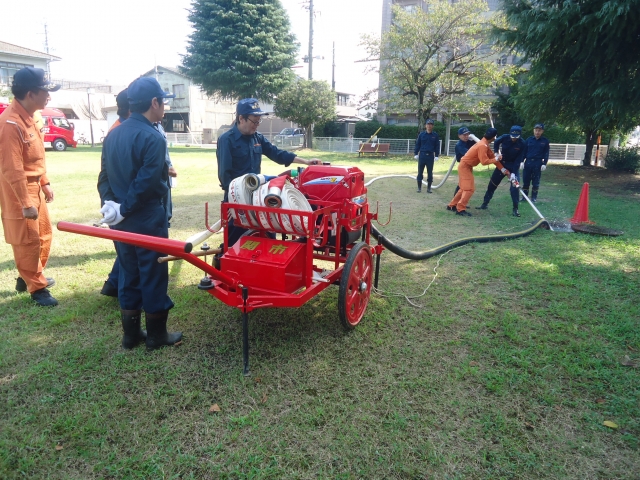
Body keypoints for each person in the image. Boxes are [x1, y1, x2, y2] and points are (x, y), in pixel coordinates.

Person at [97, 77, 181, 350]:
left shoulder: (114, 133)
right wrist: (125, 207)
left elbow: (104, 177)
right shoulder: (152, 136)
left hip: (120, 220)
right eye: (163, 102)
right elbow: (147, 184)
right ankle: (157, 335)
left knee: (129, 271)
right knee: (153, 272)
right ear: (154, 103)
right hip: (145, 216)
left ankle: (130, 335)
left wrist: (112, 206)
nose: (165, 107)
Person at [216, 98, 321, 248]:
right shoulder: (227, 140)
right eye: (254, 121)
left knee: (268, 235)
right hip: (236, 200)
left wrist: (305, 162)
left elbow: (276, 153)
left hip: (257, 197)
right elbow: (225, 175)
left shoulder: (257, 137)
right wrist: (237, 200)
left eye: (259, 122)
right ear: (241, 118)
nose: (257, 125)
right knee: (234, 242)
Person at [0, 67, 59, 306]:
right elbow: (12, 167)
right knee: (27, 239)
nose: (49, 96)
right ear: (30, 93)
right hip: (18, 189)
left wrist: (44, 182)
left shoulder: (33, 117)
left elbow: (34, 157)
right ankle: (37, 288)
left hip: (34, 184)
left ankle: (29, 277)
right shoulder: (10, 123)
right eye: (45, 91)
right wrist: (25, 202)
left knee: (44, 234)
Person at [100, 88, 131, 298]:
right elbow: (107, 172)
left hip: (122, 202)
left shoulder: (122, 128)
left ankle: (112, 285)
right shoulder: (119, 132)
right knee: (129, 250)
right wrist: (112, 202)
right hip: (125, 203)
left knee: (127, 248)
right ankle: (116, 287)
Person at [446, 128, 508, 217]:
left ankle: (452, 205)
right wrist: (496, 158)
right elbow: (484, 161)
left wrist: (503, 169)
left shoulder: (484, 144)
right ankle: (460, 209)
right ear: (494, 138)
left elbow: (492, 158)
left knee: (463, 188)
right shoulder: (483, 145)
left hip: (466, 166)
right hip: (465, 167)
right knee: (469, 189)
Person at [477, 125, 526, 217]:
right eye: (512, 137)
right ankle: (484, 204)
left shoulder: (523, 144)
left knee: (514, 188)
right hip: (502, 164)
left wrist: (513, 174)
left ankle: (515, 209)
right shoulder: (504, 137)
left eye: (516, 137)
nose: (513, 139)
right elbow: (496, 142)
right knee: (492, 185)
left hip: (513, 166)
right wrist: (496, 152)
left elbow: (518, 160)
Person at [521, 123, 550, 202]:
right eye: (536, 130)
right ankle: (524, 197)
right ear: (534, 130)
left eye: (539, 131)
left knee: (536, 181)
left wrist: (544, 164)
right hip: (528, 162)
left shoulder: (545, 141)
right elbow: (524, 152)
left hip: (538, 163)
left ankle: (534, 198)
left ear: (542, 131)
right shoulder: (529, 140)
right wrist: (521, 162)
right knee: (526, 180)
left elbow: (546, 153)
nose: (537, 132)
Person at [413, 119, 440, 193]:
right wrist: (415, 153)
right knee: (420, 172)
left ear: (433, 126)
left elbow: (437, 146)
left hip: (430, 156)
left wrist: (437, 155)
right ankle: (419, 188)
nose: (429, 126)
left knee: (430, 173)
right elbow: (418, 144)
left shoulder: (435, 135)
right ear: (425, 125)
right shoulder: (421, 135)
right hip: (422, 156)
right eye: (428, 124)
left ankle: (429, 188)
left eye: (431, 124)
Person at [453, 126, 475, 195]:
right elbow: (468, 154)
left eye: (467, 134)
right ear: (459, 136)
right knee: (463, 183)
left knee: (464, 183)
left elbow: (479, 145)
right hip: (463, 166)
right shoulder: (459, 145)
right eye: (464, 135)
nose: (466, 136)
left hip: (469, 165)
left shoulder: (469, 142)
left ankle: (459, 200)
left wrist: (474, 139)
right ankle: (455, 201)